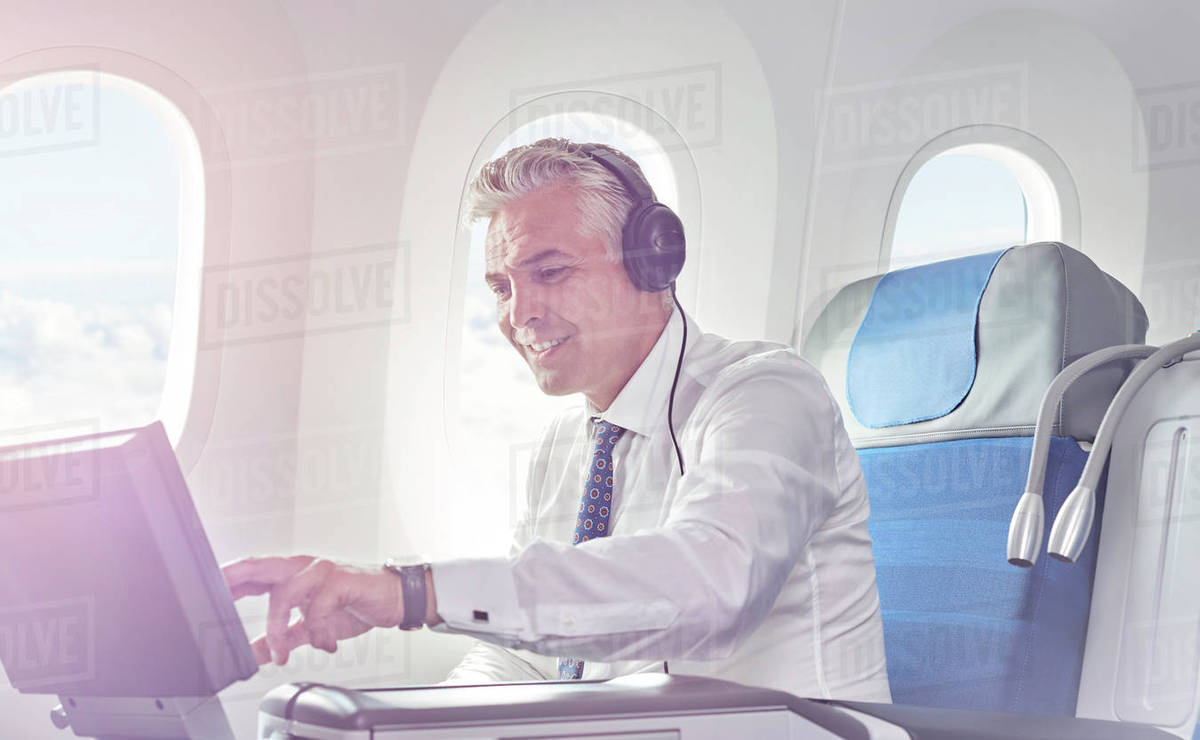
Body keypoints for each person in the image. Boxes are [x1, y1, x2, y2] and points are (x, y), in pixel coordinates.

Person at [222, 138, 891, 701]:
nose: (520, 313)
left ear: (652, 259)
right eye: (502, 287)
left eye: (551, 271)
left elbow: (711, 587)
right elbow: (527, 661)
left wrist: (411, 592)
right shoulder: (564, 448)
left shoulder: (766, 394)